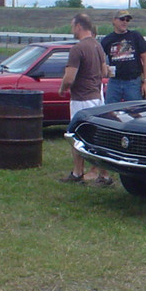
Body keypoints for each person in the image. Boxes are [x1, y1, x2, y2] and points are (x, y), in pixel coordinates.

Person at [59, 13, 111, 185]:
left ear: (79, 27)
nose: (72, 29)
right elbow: (104, 72)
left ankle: (78, 173)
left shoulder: (77, 49)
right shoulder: (98, 46)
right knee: (96, 136)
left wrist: (62, 88)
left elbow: (69, 78)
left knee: (77, 136)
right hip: (97, 97)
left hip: (81, 99)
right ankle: (102, 175)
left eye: (72, 26)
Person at [101, 9, 146, 103]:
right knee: (110, 111)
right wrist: (105, 68)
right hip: (114, 82)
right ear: (114, 20)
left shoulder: (135, 36)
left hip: (133, 82)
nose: (125, 22)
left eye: (127, 20)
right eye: (122, 19)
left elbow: (145, 59)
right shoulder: (107, 40)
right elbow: (100, 59)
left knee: (135, 111)